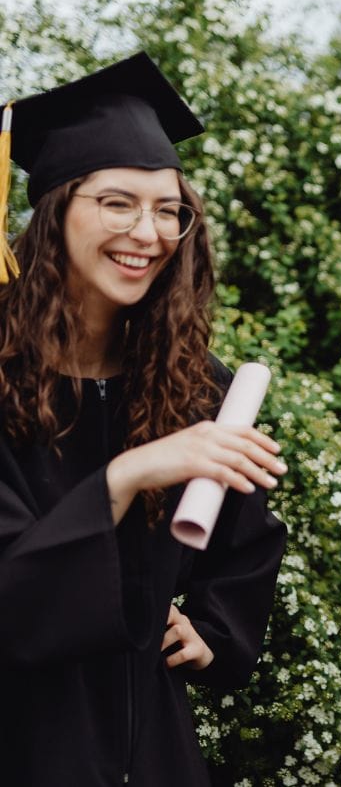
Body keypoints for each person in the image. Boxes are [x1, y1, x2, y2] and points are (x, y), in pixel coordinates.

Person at [0, 53, 288, 785]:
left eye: (169, 209)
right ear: (56, 209)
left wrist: (214, 630)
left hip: (153, 747)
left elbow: (249, 542)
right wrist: (127, 475)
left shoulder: (193, 386)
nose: (150, 231)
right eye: (118, 202)